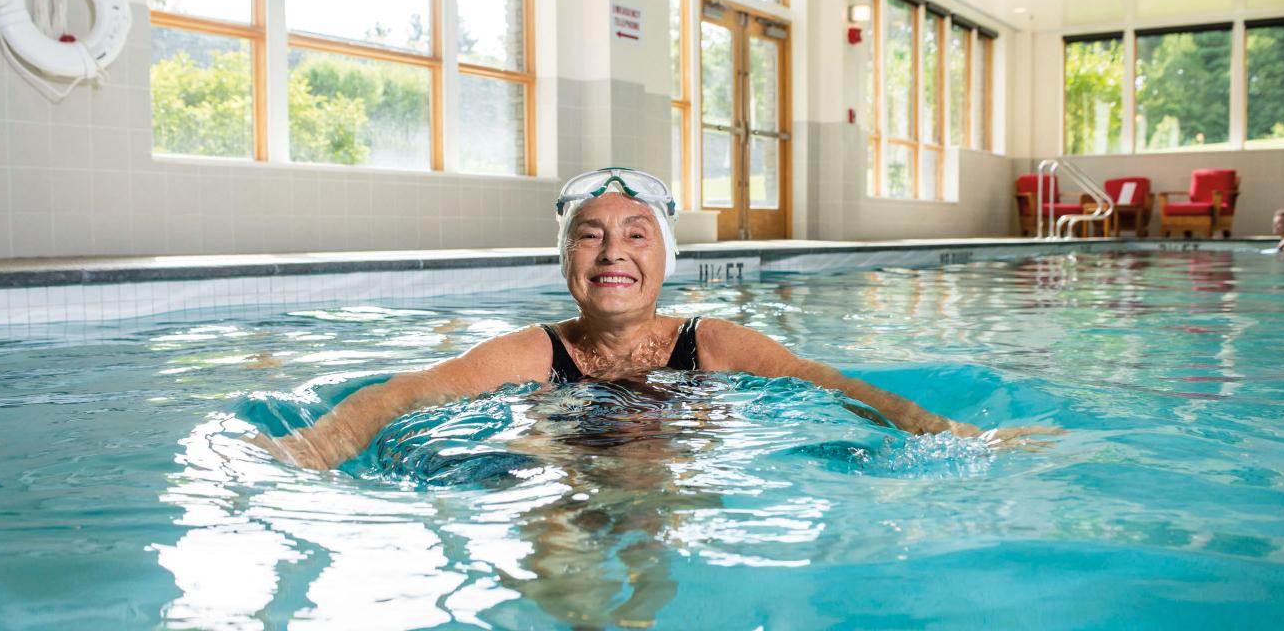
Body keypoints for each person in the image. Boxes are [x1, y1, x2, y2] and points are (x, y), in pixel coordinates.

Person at [249, 167, 1059, 470]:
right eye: (589, 237)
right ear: (566, 261)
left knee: (653, 527)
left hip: (683, 471)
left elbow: (839, 388)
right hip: (564, 467)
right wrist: (314, 445)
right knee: (563, 544)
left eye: (636, 235)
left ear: (665, 258)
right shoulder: (533, 353)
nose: (613, 253)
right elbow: (403, 394)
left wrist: (959, 437)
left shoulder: (712, 343)